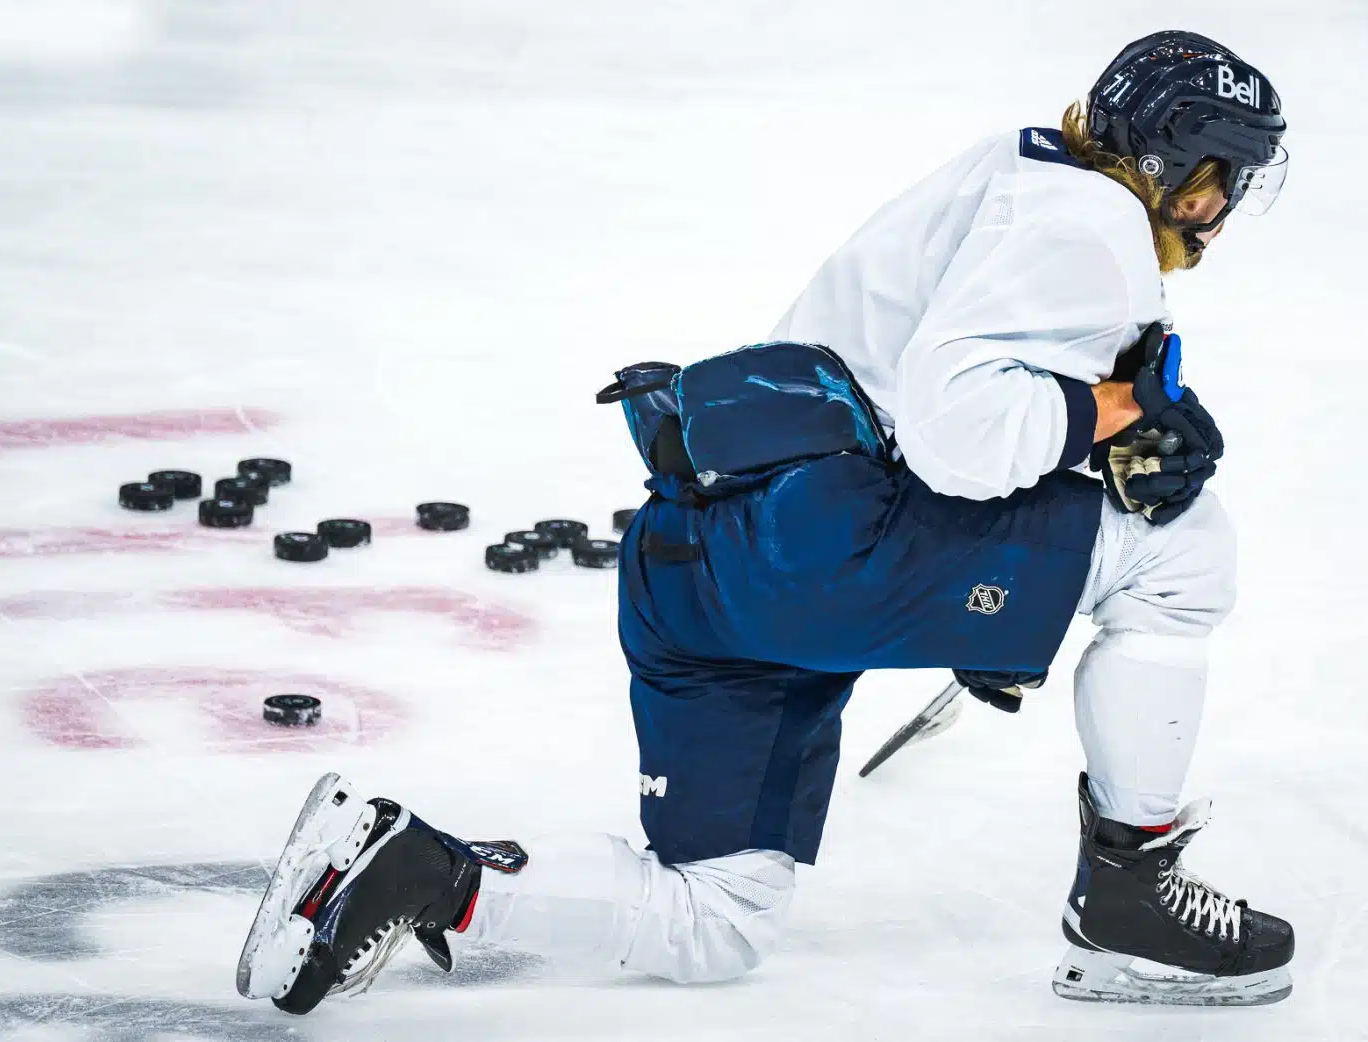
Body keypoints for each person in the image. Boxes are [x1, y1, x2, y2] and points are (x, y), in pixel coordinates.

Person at [235, 29, 1294, 1013]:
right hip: (818, 556)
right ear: (1168, 161)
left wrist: (1011, 568)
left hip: (697, 552)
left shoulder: (1014, 172)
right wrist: (1113, 414)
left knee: (718, 918)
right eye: (1222, 178)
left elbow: (909, 389)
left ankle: (418, 872)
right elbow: (959, 434)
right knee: (1181, 553)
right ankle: (1128, 895)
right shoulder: (1097, 223)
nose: (1224, 207)